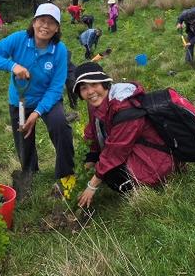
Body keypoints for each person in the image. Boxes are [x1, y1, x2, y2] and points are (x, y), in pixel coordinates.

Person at [0, 3, 75, 198]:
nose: (45, 26)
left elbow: (56, 87)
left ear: (57, 28)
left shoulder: (59, 50)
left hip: (47, 99)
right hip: (20, 100)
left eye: (51, 23)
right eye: (42, 20)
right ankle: (30, 172)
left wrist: (38, 112)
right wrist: (12, 65)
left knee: (60, 125)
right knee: (23, 137)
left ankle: (66, 174)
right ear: (33, 22)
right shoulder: (19, 39)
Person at [73, 62, 177, 208]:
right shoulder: (96, 104)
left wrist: (92, 185)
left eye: (94, 84)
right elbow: (92, 132)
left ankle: (147, 188)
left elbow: (115, 151)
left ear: (104, 83)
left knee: (112, 176)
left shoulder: (124, 106)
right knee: (103, 167)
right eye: (83, 88)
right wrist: (88, 161)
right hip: (136, 150)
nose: (90, 92)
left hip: (156, 157)